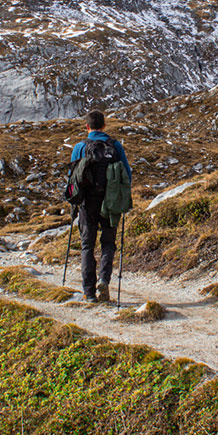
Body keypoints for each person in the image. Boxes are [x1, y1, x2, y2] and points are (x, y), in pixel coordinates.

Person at [70, 109, 131, 303]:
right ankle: (104, 279)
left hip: (88, 203)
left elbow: (73, 179)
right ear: (104, 126)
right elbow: (126, 175)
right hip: (110, 202)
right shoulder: (115, 146)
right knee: (108, 242)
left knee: (87, 245)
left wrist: (73, 202)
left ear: (87, 127)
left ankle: (88, 292)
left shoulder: (80, 147)